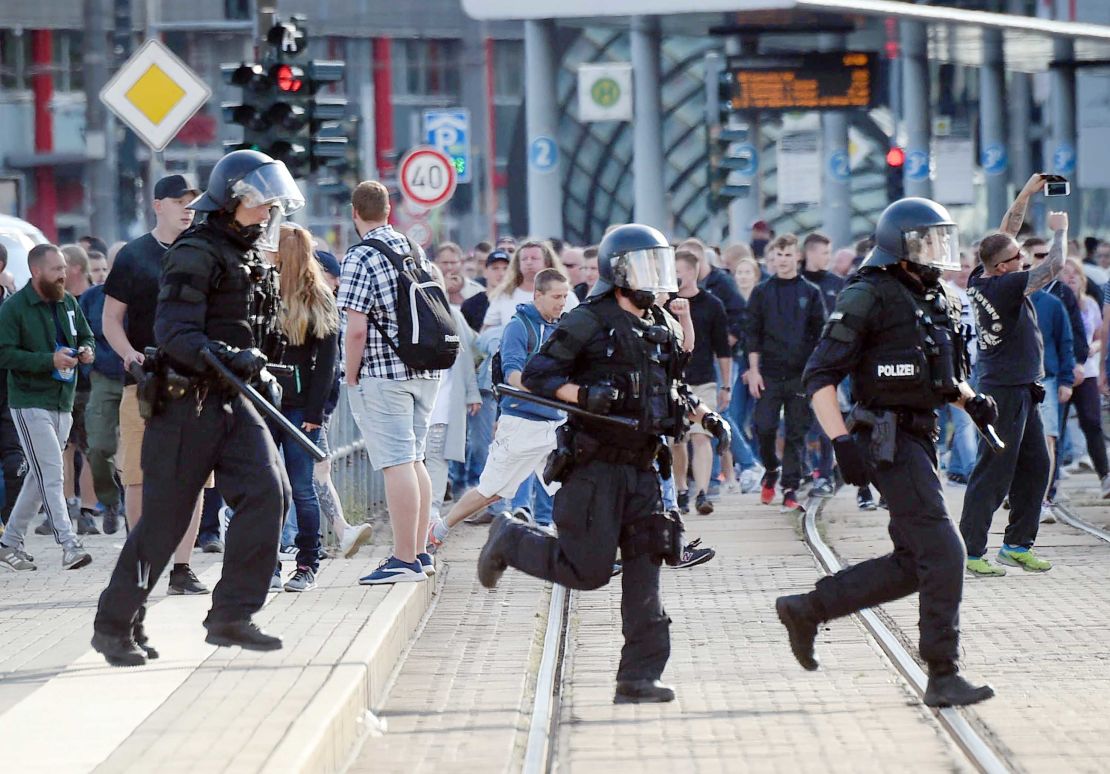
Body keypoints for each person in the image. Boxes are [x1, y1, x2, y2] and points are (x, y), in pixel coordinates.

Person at [476, 224, 731, 705]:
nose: (656, 278)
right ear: (618, 271)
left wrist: (705, 415)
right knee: (588, 571)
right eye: (645, 266)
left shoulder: (662, 325)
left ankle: (639, 677)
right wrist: (583, 394)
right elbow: (538, 373)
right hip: (594, 469)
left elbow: (670, 388)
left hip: (645, 470)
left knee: (646, 575)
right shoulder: (587, 320)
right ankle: (510, 538)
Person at [776, 196, 996, 709]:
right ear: (901, 248)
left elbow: (938, 371)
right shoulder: (867, 294)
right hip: (884, 438)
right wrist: (842, 443)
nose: (939, 252)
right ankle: (943, 673)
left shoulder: (934, 296)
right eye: (928, 241)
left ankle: (807, 609)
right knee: (945, 552)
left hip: (920, 434)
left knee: (913, 563)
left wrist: (970, 401)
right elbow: (819, 376)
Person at [92, 150, 303, 665]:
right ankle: (114, 625)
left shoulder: (250, 253)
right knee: (164, 523)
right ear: (233, 200)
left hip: (232, 399)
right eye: (260, 202)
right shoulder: (195, 251)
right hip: (186, 404)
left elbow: (256, 330)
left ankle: (231, 614)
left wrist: (265, 367)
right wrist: (235, 357)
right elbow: (175, 333)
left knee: (267, 492)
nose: (269, 210)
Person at [102, 173, 213, 585]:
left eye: (193, 201)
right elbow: (111, 319)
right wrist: (129, 353)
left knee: (194, 476)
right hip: (144, 381)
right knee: (138, 474)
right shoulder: (134, 255)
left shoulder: (204, 250)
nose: (188, 208)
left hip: (195, 381)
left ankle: (182, 568)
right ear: (158, 205)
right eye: (180, 201)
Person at [959, 173, 1067, 576]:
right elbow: (1054, 266)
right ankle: (971, 552)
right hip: (1002, 392)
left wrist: (1026, 192)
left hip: (1022, 388)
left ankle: (1017, 544)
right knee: (994, 470)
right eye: (1019, 259)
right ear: (1003, 268)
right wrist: (1061, 232)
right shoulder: (1006, 288)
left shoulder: (982, 276)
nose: (1024, 260)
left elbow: (1005, 233)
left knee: (1036, 466)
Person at [340, 180, 444, 585]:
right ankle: (418, 553)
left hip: (385, 373)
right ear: (389, 211)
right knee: (415, 459)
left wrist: (350, 376)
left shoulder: (362, 255)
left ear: (355, 213)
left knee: (396, 462)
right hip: (426, 369)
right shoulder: (412, 248)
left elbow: (355, 329)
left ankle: (402, 559)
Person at [428, 268, 570, 544]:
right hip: (522, 423)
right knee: (492, 491)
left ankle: (580, 548)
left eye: (565, 296)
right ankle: (439, 530)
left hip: (555, 424)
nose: (562, 302)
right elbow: (512, 374)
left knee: (573, 486)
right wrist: (551, 389)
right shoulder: (519, 326)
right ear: (537, 295)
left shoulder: (561, 326)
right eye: (556, 296)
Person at [0, 244, 94, 571]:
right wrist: (47, 361)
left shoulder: (68, 301)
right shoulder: (13, 308)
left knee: (39, 477)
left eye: (64, 268)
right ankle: (69, 544)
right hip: (29, 401)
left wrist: (86, 350)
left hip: (62, 400)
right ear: (36, 271)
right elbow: (4, 354)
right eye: (56, 269)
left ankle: (9, 542)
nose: (63, 274)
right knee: (52, 472)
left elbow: (87, 335)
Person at [268, 225, 341, 592]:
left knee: (287, 487)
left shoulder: (303, 296)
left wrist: (315, 413)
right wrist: (317, 412)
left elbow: (327, 362)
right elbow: (328, 364)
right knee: (297, 488)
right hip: (289, 405)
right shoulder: (315, 295)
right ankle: (302, 565)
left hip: (278, 404)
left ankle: (291, 565)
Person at [745, 234, 826, 511]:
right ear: (772, 258)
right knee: (763, 427)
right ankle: (771, 467)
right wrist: (754, 371)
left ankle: (790, 488)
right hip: (768, 372)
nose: (783, 260)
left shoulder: (811, 293)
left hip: (800, 375)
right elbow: (752, 334)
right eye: (778, 255)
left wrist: (817, 372)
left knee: (796, 432)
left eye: (788, 255)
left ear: (798, 257)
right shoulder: (761, 292)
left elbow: (820, 336)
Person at [665, 250, 731, 515]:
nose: (675, 276)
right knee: (677, 441)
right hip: (673, 381)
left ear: (692, 271)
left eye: (679, 271)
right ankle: (681, 488)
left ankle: (702, 492)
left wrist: (726, 385)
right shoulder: (664, 303)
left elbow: (723, 349)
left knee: (702, 436)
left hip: (703, 380)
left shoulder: (712, 304)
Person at [77, 260, 124, 534]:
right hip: (103, 378)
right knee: (98, 447)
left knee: (140, 450)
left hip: (136, 379)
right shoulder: (91, 298)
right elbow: (80, 336)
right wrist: (89, 367)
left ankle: (136, 511)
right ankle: (110, 499)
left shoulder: (139, 293)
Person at [1058, 258, 1109, 497]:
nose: (1070, 278)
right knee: (1055, 428)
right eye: (1065, 274)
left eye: (1074, 274)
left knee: (1092, 423)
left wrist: (1096, 349)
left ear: (1082, 278)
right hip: (1062, 374)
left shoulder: (1090, 304)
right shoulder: (1055, 303)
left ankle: (1105, 475)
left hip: (1087, 372)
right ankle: (1051, 483)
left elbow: (1100, 335)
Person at [1030, 286, 1074, 518]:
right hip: (1013, 381)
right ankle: (1018, 494)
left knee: (1048, 441)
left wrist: (1066, 379)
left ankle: (1043, 500)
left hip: (1047, 379)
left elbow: (1066, 341)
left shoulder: (1052, 303)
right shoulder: (1004, 297)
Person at [482, 240, 579, 329]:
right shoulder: (504, 295)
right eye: (524, 259)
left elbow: (578, 328)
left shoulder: (565, 295)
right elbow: (487, 331)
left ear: (547, 262)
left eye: (534, 258)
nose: (529, 262)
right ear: (518, 264)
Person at [461, 249, 510, 332]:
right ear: (485, 272)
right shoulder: (470, 305)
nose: (501, 273)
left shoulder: (517, 303)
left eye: (505, 268)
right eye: (495, 268)